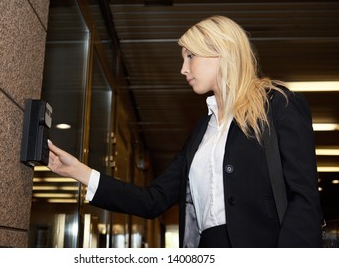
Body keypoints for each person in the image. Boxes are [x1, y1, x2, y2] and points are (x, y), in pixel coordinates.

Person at [47, 15, 323, 248]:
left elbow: (304, 197)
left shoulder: (278, 105)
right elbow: (152, 200)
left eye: (190, 56)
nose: (183, 68)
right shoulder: (202, 131)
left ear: (221, 52)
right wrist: (77, 172)